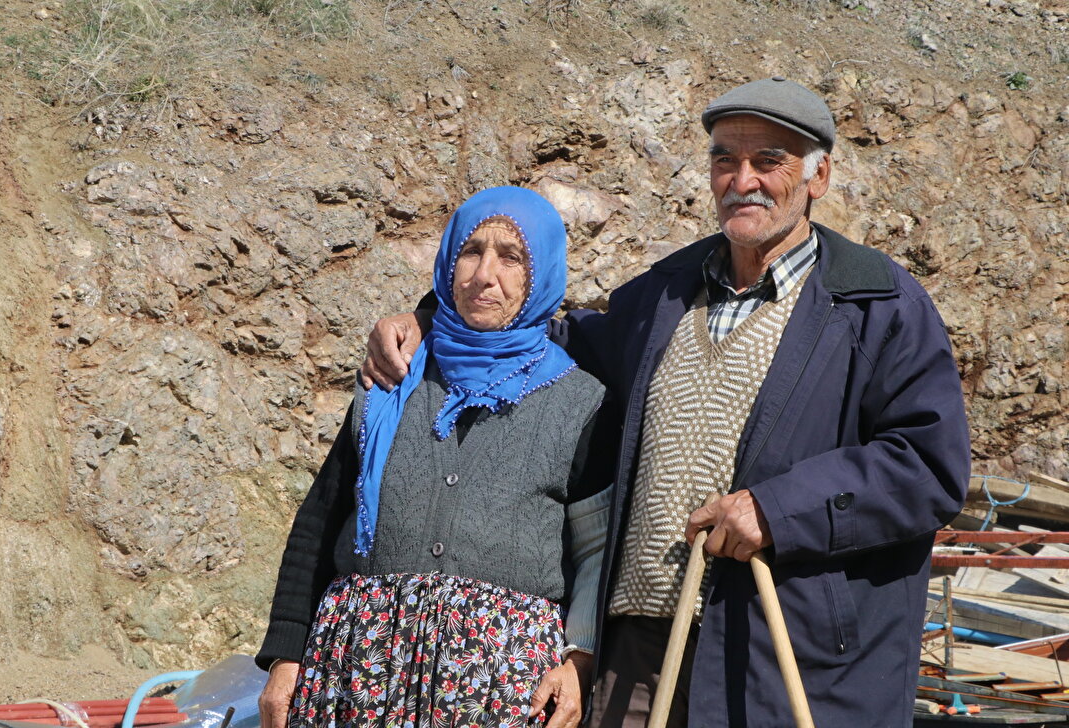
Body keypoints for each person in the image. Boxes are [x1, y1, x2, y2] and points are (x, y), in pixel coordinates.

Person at [362, 78, 972, 728]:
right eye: (725, 160)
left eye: (769, 161)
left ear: (818, 176)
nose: (743, 180)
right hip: (643, 652)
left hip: (788, 654)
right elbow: (546, 342)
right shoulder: (664, 297)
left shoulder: (876, 306)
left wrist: (777, 509)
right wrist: (435, 320)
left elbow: (926, 466)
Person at [255, 186, 618, 728]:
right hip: (358, 671)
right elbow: (319, 521)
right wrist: (286, 658)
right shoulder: (391, 379)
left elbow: (596, 551)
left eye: (510, 257)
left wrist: (579, 662)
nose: (483, 275)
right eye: (471, 251)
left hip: (501, 682)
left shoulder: (581, 402)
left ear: (539, 276)